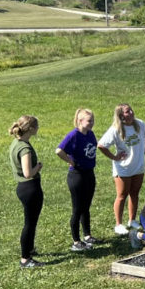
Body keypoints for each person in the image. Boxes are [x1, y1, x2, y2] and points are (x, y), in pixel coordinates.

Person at [97, 103, 145, 235]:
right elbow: (101, 145)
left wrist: (144, 150)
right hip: (123, 168)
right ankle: (118, 224)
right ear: (121, 115)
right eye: (128, 111)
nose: (132, 113)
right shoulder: (116, 129)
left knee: (134, 193)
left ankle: (132, 220)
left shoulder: (140, 124)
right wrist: (114, 157)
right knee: (122, 195)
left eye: (131, 110)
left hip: (138, 166)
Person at [55, 108, 99, 252]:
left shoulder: (90, 134)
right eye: (89, 120)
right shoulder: (73, 135)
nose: (92, 123)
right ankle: (76, 241)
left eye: (92, 120)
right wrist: (70, 160)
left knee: (86, 206)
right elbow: (59, 150)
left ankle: (87, 236)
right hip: (77, 175)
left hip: (89, 173)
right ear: (80, 121)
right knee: (77, 209)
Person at [9, 115, 44, 269]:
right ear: (31, 129)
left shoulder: (16, 143)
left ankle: (29, 249)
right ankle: (25, 259)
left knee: (31, 222)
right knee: (29, 224)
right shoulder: (24, 148)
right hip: (30, 187)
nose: (38, 129)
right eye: (36, 126)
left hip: (23, 188)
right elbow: (28, 172)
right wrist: (39, 166)